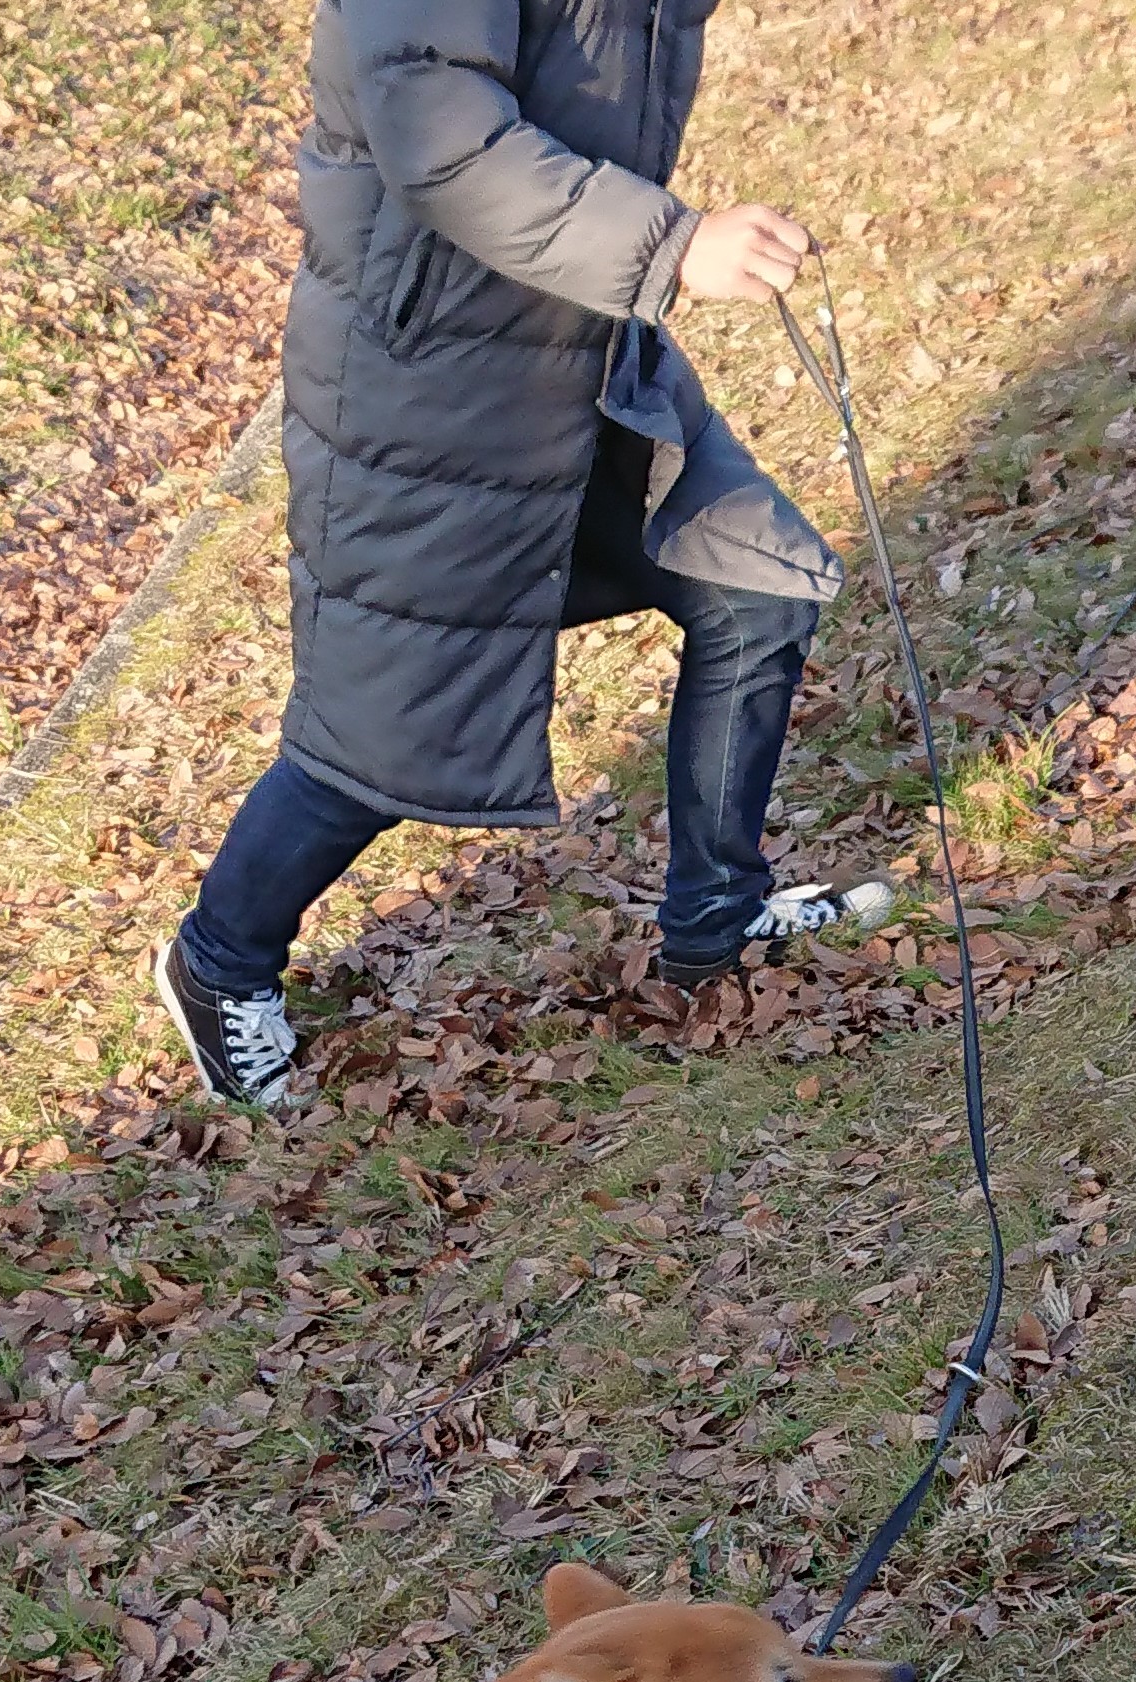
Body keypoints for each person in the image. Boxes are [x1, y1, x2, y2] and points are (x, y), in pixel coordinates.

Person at [154, 0, 894, 1107]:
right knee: (389, 724)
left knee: (753, 584)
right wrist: (677, 244)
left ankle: (713, 916)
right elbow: (442, 141)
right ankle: (218, 963)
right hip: (435, 385)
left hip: (583, 339)